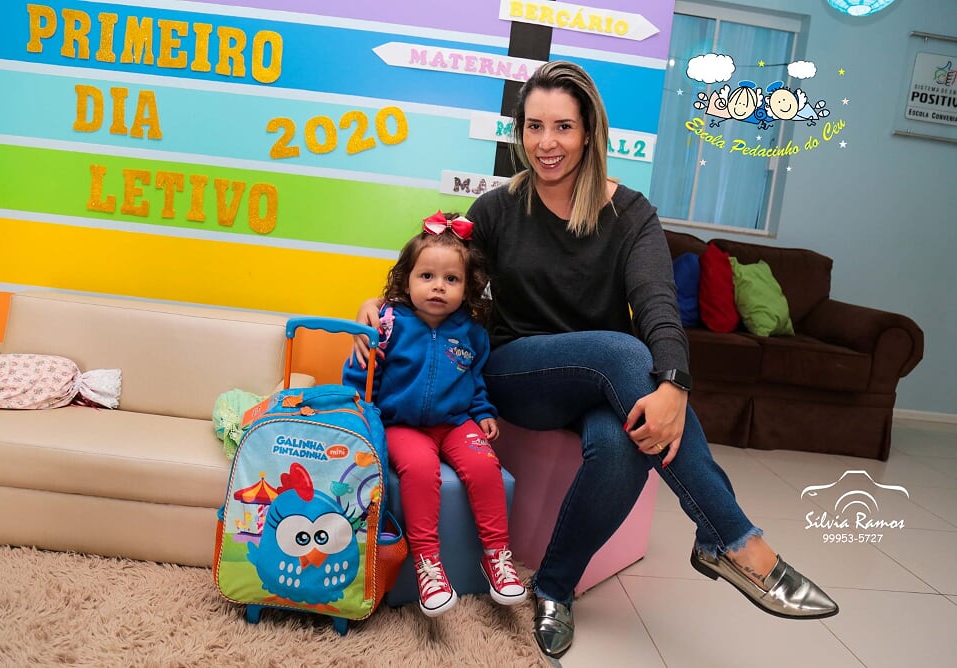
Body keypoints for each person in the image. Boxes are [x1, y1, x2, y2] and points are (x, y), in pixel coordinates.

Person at [354, 61, 838, 657]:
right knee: (623, 351)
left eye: (562, 126)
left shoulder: (630, 214)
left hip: (603, 379)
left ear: (589, 133)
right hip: (517, 371)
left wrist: (674, 386)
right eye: (534, 127)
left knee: (623, 442)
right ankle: (732, 537)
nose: (546, 143)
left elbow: (658, 304)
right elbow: (435, 267)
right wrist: (379, 305)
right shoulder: (498, 209)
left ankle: (554, 589)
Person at [342, 212, 527, 618]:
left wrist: (483, 412)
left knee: (485, 466)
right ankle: (428, 564)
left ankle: (497, 557)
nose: (438, 286)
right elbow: (360, 374)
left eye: (451, 279)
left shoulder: (472, 333)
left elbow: (475, 380)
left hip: (456, 423)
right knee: (421, 470)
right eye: (427, 276)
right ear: (406, 279)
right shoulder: (387, 325)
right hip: (402, 426)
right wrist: (358, 416)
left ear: (468, 287)